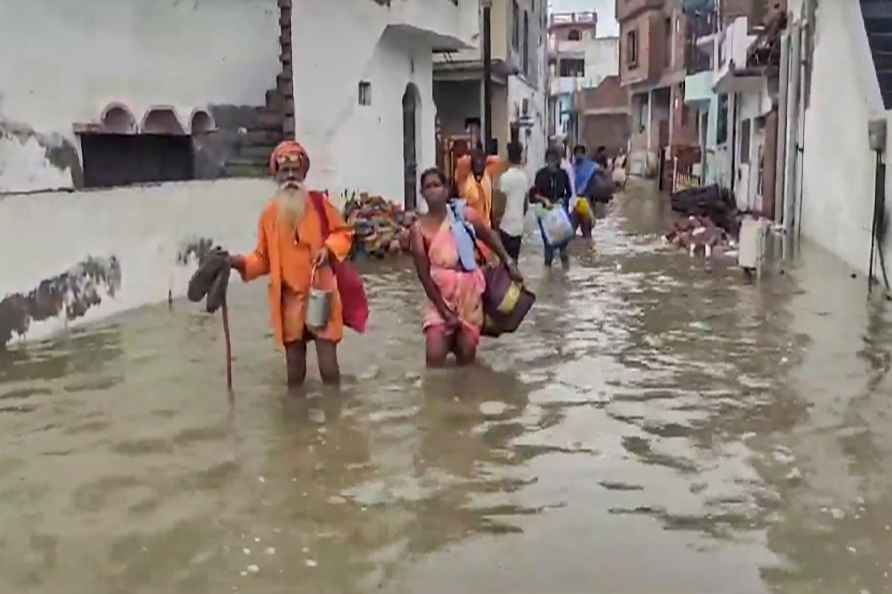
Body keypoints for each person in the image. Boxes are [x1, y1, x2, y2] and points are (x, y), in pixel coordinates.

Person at [229, 141, 353, 386]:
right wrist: (237, 262)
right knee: (294, 374)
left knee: (329, 368)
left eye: (295, 170)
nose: (290, 176)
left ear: (304, 173)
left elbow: (344, 234)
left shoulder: (319, 204)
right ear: (276, 175)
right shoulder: (269, 214)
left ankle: (335, 416)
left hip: (320, 293)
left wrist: (328, 250)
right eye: (284, 171)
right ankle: (296, 419)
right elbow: (262, 259)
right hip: (288, 299)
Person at [411, 168, 522, 367]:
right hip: (440, 297)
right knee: (434, 357)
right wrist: (444, 312)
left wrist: (509, 262)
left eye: (437, 185)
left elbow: (489, 236)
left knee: (466, 354)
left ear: (446, 190)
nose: (433, 190)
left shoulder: (464, 214)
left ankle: (467, 395)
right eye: (428, 187)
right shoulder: (418, 229)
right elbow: (424, 276)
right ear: (422, 194)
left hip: (469, 296)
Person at [531, 146, 574, 267]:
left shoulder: (563, 174)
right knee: (548, 245)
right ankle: (548, 273)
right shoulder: (540, 174)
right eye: (549, 159)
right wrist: (544, 200)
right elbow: (534, 194)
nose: (552, 163)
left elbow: (569, 193)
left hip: (560, 212)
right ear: (546, 160)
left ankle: (565, 275)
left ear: (558, 160)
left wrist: (562, 200)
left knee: (563, 248)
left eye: (554, 160)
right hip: (545, 213)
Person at [496, 142, 529, 261]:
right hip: (518, 226)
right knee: (514, 261)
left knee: (504, 262)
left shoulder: (504, 177)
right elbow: (526, 205)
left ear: (507, 156)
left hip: (505, 225)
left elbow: (500, 204)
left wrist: (495, 225)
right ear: (520, 157)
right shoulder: (524, 177)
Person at [459, 149, 494, 227]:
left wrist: (484, 157)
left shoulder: (486, 176)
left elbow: (497, 160)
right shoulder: (465, 179)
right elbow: (462, 161)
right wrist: (472, 157)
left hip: (486, 224)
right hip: (470, 225)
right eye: (476, 163)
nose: (479, 164)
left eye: (481, 163)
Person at [572, 144, 598, 239]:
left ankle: (588, 249)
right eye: (577, 153)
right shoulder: (571, 168)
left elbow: (601, 173)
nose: (578, 155)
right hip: (574, 201)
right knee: (571, 229)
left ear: (584, 154)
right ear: (574, 155)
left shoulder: (591, 167)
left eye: (580, 153)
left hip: (587, 201)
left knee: (586, 230)